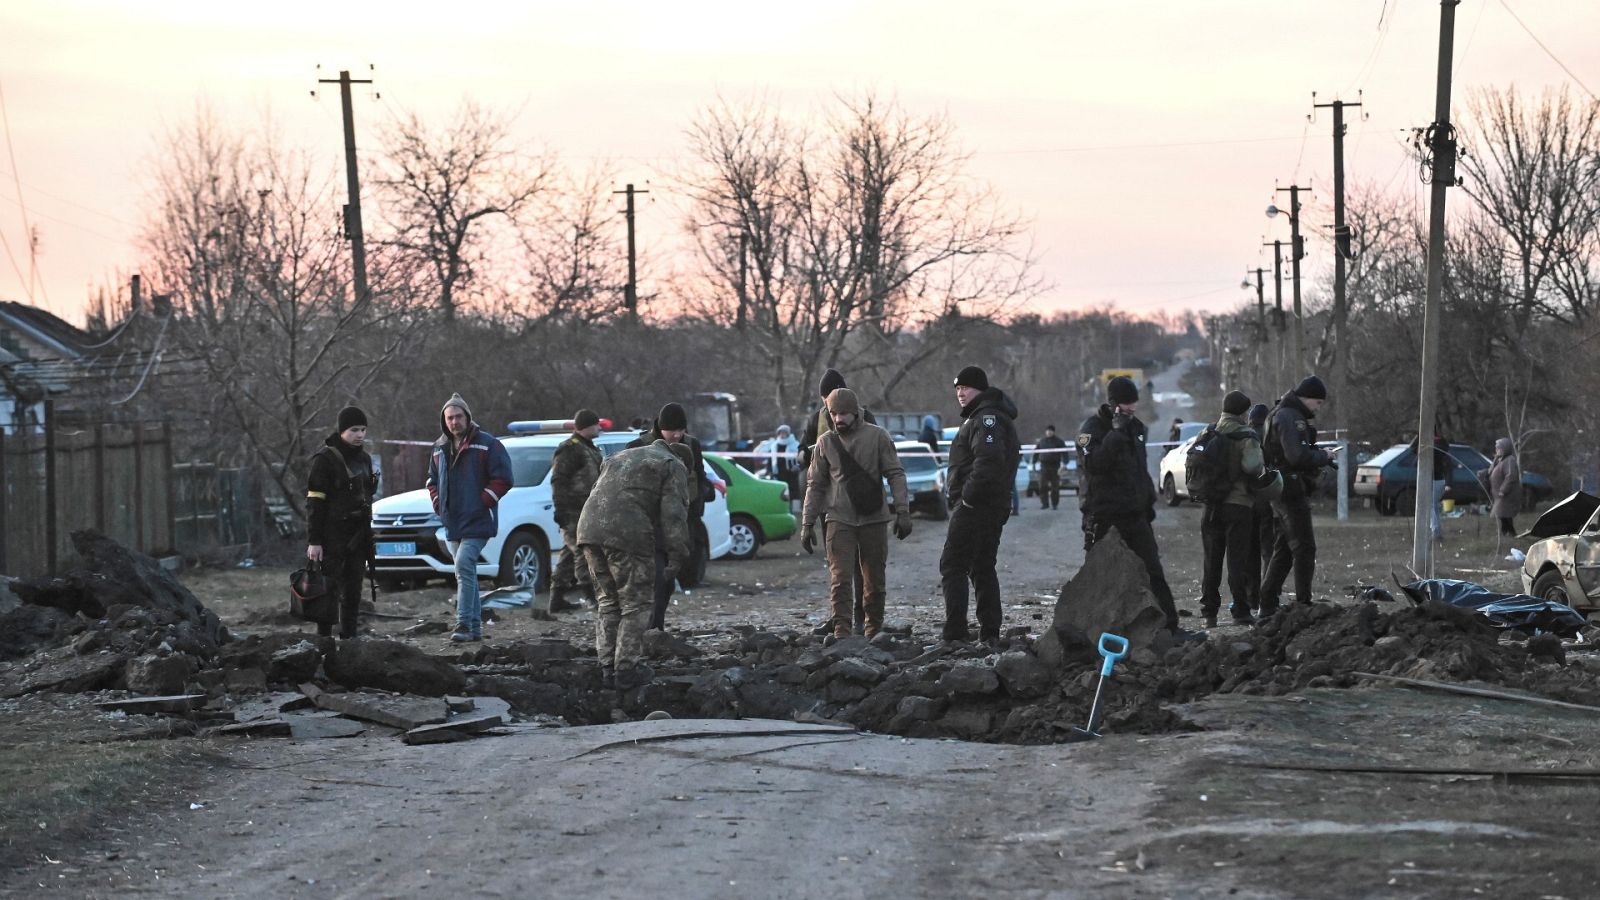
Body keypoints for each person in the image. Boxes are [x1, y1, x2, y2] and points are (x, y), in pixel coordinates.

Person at [577, 439, 691, 690]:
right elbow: (674, 515)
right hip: (627, 531)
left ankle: (607, 666)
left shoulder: (621, 456)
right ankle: (627, 668)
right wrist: (677, 555)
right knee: (636, 602)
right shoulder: (673, 464)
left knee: (608, 600)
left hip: (588, 529)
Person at [1077, 376, 1186, 635]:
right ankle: (1096, 631)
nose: (1131, 409)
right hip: (1103, 514)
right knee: (1102, 575)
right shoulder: (1090, 429)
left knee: (1152, 571)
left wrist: (1147, 499)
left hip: (1134, 514)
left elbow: (1139, 468)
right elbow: (1094, 466)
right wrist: (1115, 433)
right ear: (1114, 404)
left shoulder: (1137, 428)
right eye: (1127, 404)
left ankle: (1169, 626)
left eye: (1133, 404)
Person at [800, 388, 911, 639]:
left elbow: (895, 473)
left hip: (874, 518)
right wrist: (807, 523)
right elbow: (815, 484)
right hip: (839, 518)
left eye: (844, 413)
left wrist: (903, 511)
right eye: (834, 413)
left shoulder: (878, 437)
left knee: (874, 579)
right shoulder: (825, 442)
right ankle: (842, 632)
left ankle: (874, 630)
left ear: (855, 412)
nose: (839, 419)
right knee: (840, 579)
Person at [940, 365, 1020, 645]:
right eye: (958, 388)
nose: (961, 393)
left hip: (978, 507)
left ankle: (955, 633)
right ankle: (989, 632)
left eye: (966, 387)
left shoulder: (986, 419)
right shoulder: (984, 417)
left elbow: (988, 462)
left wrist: (968, 499)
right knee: (982, 567)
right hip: (991, 506)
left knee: (953, 566)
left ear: (981, 390)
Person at [627, 402, 722, 631]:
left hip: (682, 522)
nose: (677, 435)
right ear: (661, 428)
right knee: (654, 579)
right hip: (650, 526)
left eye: (681, 430)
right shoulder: (638, 446)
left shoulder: (691, 445)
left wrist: (700, 501)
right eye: (673, 431)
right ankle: (642, 630)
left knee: (669, 581)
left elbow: (699, 476)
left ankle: (656, 626)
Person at [427, 393, 513, 643]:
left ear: (467, 417)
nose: (454, 422)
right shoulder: (439, 448)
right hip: (452, 521)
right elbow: (431, 480)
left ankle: (463, 623)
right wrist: (437, 503)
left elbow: (504, 479)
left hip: (478, 519)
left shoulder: (488, 444)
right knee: (465, 572)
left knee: (463, 565)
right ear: (444, 421)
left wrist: (483, 500)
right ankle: (475, 629)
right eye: (450, 418)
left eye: (458, 416)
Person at [799, 368, 877, 635]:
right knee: (838, 566)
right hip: (830, 503)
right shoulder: (818, 419)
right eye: (824, 399)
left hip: (861, 501)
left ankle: (862, 617)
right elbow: (803, 449)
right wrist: (807, 456)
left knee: (862, 566)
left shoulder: (865, 417)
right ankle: (839, 617)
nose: (828, 405)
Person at [1259, 376, 1334, 612]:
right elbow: (1296, 456)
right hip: (1290, 489)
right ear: (1307, 398)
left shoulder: (1277, 413)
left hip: (1279, 488)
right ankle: (1303, 602)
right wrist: (1324, 456)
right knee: (1304, 548)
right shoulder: (1291, 417)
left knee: (1284, 549)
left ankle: (1267, 601)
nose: (1318, 408)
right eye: (1318, 403)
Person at [305, 406, 378, 640]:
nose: (360, 435)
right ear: (342, 431)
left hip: (358, 536)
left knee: (353, 592)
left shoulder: (365, 460)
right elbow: (315, 504)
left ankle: (350, 641)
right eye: (354, 430)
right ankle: (324, 641)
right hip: (331, 536)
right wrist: (314, 541)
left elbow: (367, 497)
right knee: (327, 591)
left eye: (363, 430)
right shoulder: (325, 460)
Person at [1196, 391, 1264, 628]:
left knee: (1211, 561)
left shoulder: (1209, 431)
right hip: (1238, 505)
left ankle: (1209, 613)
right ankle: (1241, 611)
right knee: (1238, 560)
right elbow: (1253, 466)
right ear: (1244, 413)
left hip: (1211, 507)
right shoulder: (1247, 435)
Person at [549, 408, 604, 613]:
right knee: (583, 551)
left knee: (568, 555)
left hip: (587, 511)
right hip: (573, 512)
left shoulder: (589, 448)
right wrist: (560, 510)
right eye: (596, 424)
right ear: (586, 426)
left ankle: (556, 598)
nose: (599, 427)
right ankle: (590, 595)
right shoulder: (570, 449)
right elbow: (559, 480)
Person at [1246, 402, 1277, 606]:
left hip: (1246, 501)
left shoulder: (1245, 437)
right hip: (1266, 499)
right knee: (1268, 550)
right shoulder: (1269, 437)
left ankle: (1251, 596)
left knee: (1250, 552)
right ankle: (1267, 592)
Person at [754, 424, 801, 499]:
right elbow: (770, 461)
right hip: (778, 476)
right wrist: (769, 471)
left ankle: (794, 510)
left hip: (791, 475)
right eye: (780, 433)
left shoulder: (795, 445)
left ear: (788, 434)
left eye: (784, 433)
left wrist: (798, 467)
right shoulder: (774, 446)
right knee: (780, 495)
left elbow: (801, 459)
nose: (782, 435)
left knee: (793, 495)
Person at [1489, 438, 1523, 537]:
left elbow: (1511, 476)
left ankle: (1510, 533)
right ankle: (1507, 533)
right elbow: (1490, 471)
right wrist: (1495, 459)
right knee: (1502, 515)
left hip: (1507, 494)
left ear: (1505, 449)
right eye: (1496, 448)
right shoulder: (1500, 460)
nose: (1496, 450)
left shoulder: (1510, 461)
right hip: (1500, 495)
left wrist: (1503, 490)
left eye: (1499, 448)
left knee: (1504, 514)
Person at [1034, 424, 1067, 510]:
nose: (1048, 432)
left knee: (1055, 487)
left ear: (1053, 432)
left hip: (1055, 467)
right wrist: (1034, 462)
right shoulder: (1042, 441)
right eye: (1047, 430)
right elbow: (1036, 452)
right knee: (1042, 486)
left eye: (1050, 430)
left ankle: (1055, 504)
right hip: (1044, 466)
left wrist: (1065, 463)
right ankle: (1045, 504)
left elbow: (1065, 452)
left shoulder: (1059, 441)